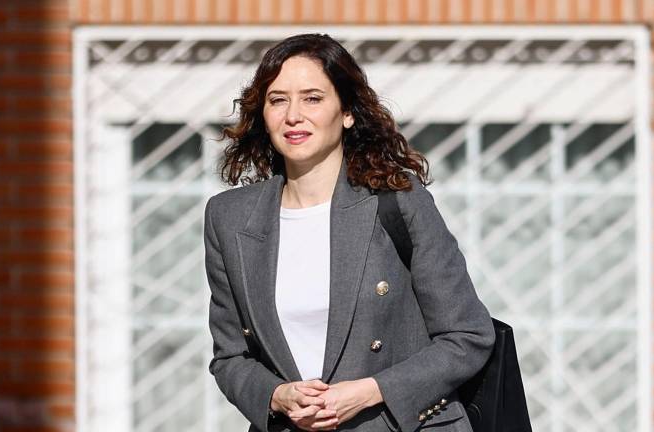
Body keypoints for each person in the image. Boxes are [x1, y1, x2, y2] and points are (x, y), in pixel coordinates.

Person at [204, 33, 495, 432]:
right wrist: (277, 395)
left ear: (347, 112)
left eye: (312, 98)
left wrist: (371, 390)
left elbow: (467, 335)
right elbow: (230, 357)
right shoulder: (229, 217)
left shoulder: (397, 200)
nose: (293, 116)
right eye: (278, 100)